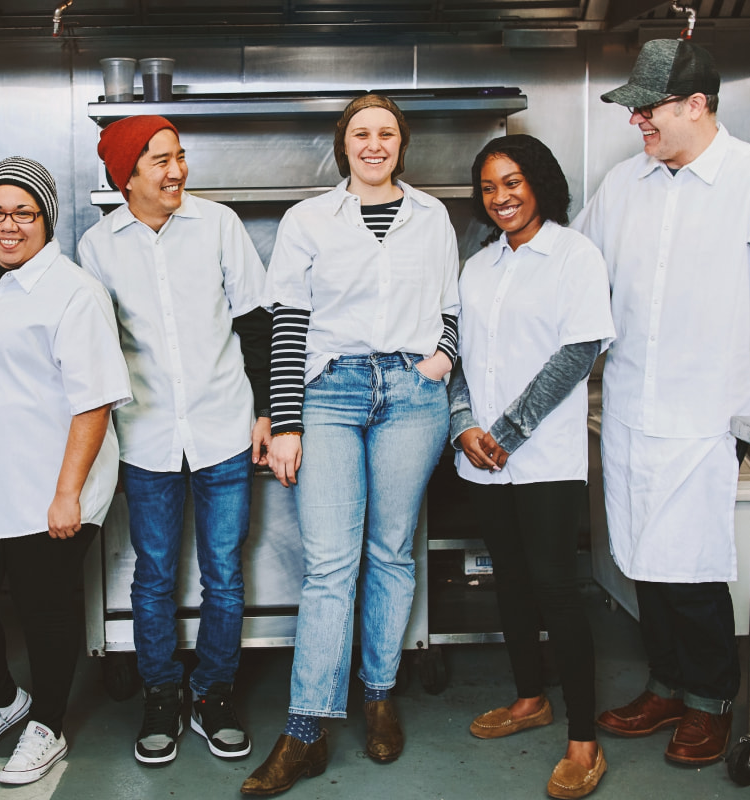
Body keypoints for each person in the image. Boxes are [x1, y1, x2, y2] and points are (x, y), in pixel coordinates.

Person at [242, 93, 459, 796]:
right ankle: (305, 731)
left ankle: (378, 696)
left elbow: (452, 308)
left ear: (402, 143)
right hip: (328, 393)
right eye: (361, 133)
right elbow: (287, 322)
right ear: (344, 144)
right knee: (331, 563)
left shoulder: (433, 219)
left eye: (386, 133)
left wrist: (440, 362)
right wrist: (286, 421)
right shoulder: (309, 219)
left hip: (411, 393)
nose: (374, 144)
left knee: (390, 552)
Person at [573, 37, 750, 767]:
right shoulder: (626, 185)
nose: (637, 124)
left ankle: (713, 701)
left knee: (692, 569)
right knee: (644, 561)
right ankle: (666, 684)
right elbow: (577, 275)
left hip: (710, 417)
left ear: (697, 105)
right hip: (630, 408)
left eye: (648, 110)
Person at [0, 157, 131, 786]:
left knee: (45, 606)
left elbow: (94, 398)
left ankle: (47, 724)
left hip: (52, 477)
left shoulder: (73, 292)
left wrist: (67, 493)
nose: (7, 225)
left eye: (23, 212)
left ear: (46, 219)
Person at [77, 115, 271, 766]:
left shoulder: (218, 227)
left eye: (180, 156)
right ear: (125, 177)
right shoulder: (98, 246)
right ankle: (162, 692)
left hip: (222, 428)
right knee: (154, 575)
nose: (177, 171)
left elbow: (254, 323)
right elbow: (94, 348)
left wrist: (268, 413)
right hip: (146, 433)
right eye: (159, 160)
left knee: (223, 574)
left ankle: (214, 693)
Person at [452, 134, 615, 799]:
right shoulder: (477, 267)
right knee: (510, 582)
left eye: (513, 182)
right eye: (489, 188)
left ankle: (583, 737)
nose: (501, 198)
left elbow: (577, 354)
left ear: (539, 182)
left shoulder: (574, 256)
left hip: (543, 459)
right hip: (483, 459)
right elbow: (456, 357)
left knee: (556, 589)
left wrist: (509, 432)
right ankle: (529, 698)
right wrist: (463, 424)